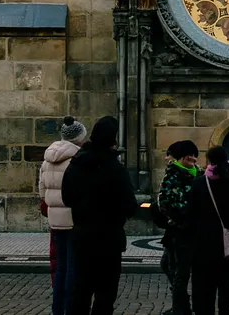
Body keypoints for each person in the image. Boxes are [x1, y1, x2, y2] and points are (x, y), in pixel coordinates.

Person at [63, 115, 138, 315]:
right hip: (109, 238)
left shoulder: (76, 164)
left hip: (83, 236)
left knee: (81, 290)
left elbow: (67, 198)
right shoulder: (115, 168)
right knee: (105, 293)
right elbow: (130, 206)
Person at [186, 145, 229, 315]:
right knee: (225, 285)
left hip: (203, 244)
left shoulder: (200, 183)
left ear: (209, 160)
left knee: (204, 286)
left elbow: (190, 214)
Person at [41, 116, 88, 315]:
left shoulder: (48, 158)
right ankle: (70, 308)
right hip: (73, 219)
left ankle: (57, 309)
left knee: (60, 266)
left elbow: (42, 190)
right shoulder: (77, 159)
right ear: (80, 137)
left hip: (55, 220)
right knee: (72, 267)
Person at [157, 139, 200, 315]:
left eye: (194, 155)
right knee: (171, 267)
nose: (193, 158)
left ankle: (181, 308)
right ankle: (182, 305)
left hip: (184, 231)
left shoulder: (186, 174)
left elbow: (167, 203)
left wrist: (181, 217)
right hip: (180, 230)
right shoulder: (188, 173)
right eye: (189, 155)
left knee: (179, 272)